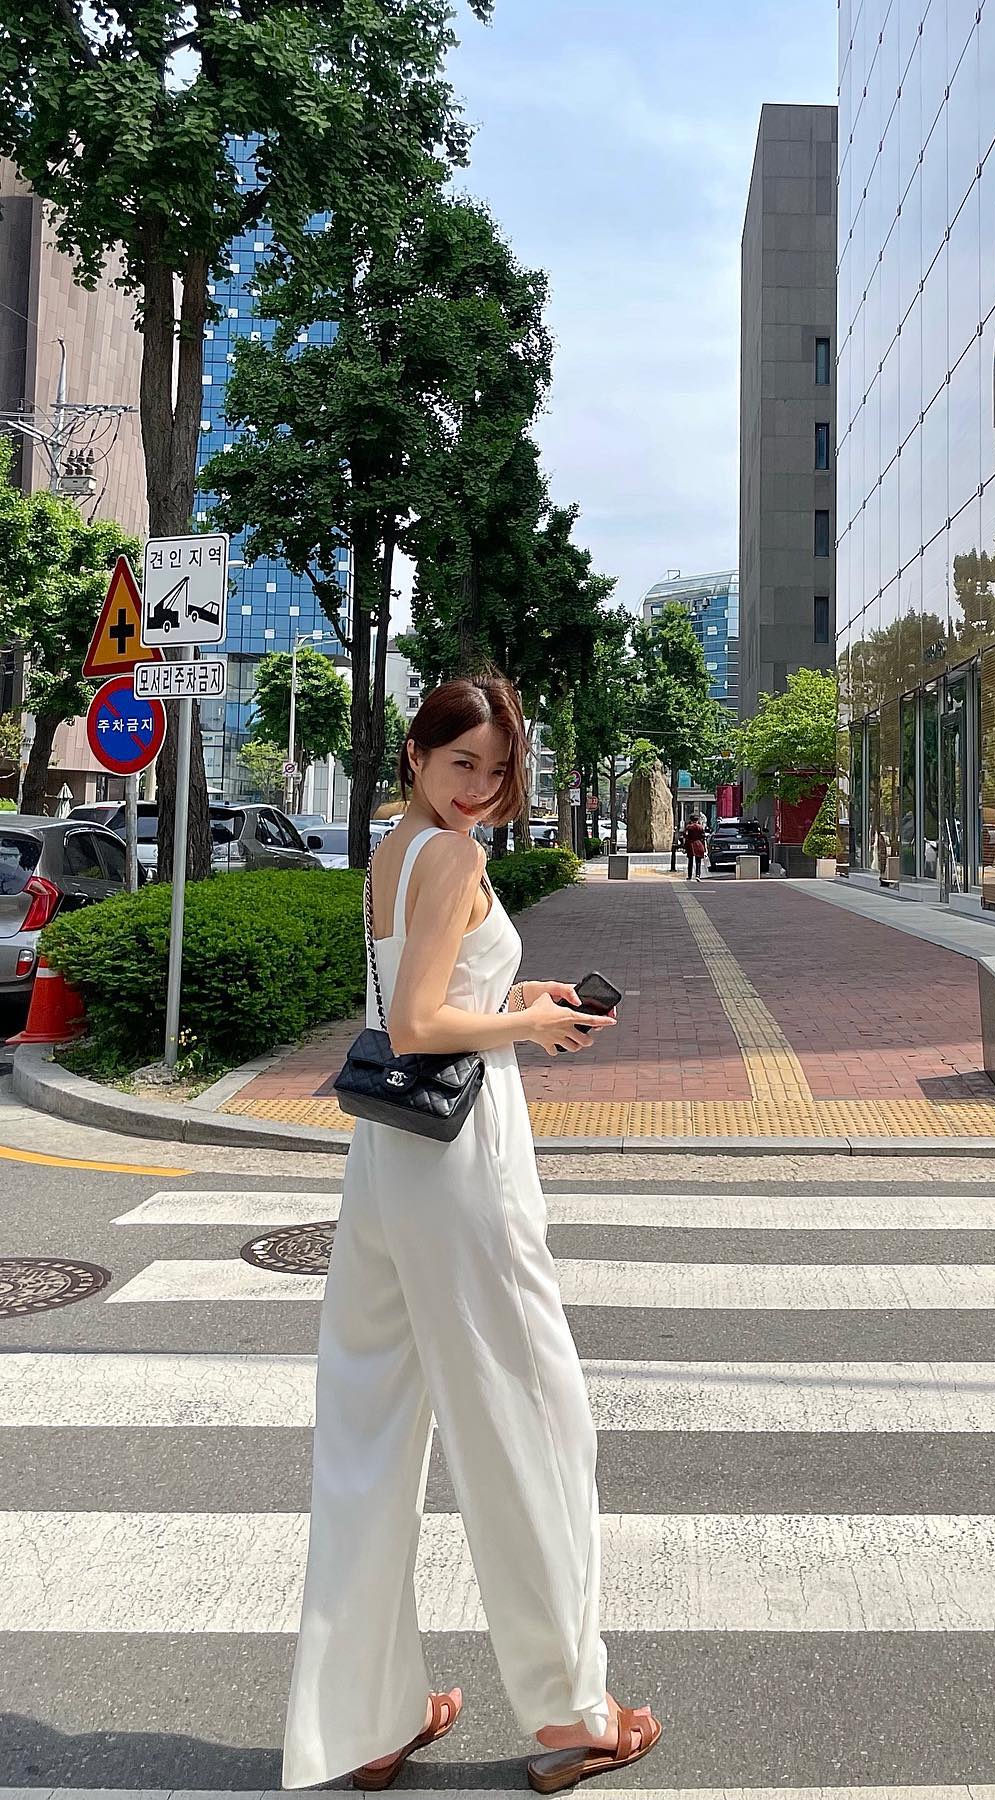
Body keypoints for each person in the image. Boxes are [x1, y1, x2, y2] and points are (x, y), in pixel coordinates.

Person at [282, 671, 662, 1795]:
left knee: (369, 1429)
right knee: (534, 1420)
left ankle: (366, 1717)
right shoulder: (449, 854)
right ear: (415, 752)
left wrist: (516, 991)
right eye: (462, 764)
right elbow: (418, 1022)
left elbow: (427, 984)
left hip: (384, 1160)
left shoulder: (395, 848)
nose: (481, 789)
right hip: (459, 1160)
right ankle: (573, 1711)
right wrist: (531, 1025)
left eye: (497, 772)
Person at [681, 811, 707, 881]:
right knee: (698, 861)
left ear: (691, 820)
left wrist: (684, 846)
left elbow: (685, 836)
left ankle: (689, 876)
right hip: (699, 844)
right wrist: (705, 848)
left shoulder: (688, 827)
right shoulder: (700, 827)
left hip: (690, 844)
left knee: (690, 861)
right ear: (697, 820)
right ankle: (698, 875)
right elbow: (703, 837)